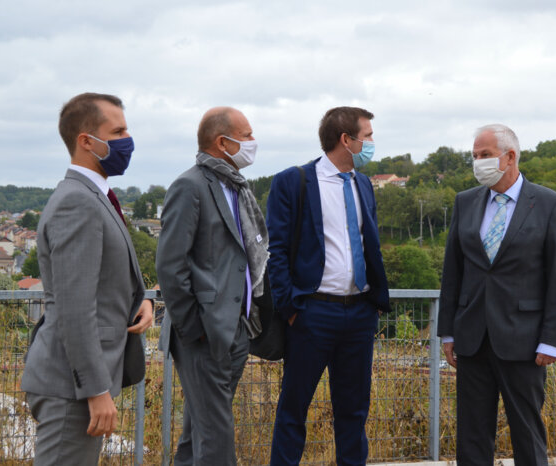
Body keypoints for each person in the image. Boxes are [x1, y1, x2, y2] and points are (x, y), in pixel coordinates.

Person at [21, 92, 154, 465]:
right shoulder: (76, 201)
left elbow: (101, 278)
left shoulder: (94, 195)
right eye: (119, 131)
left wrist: (138, 299)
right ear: (86, 141)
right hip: (72, 386)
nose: (128, 140)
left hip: (76, 384)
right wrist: (96, 389)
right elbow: (74, 307)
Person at [438, 124, 556, 465]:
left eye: (485, 155)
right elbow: (453, 271)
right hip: (472, 338)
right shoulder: (465, 202)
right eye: (475, 156)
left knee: (526, 432)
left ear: (510, 156)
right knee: (471, 434)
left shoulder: (549, 204)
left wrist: (552, 339)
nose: (478, 161)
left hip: (524, 342)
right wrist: (448, 331)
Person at [266, 106, 390, 466]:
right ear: (345, 140)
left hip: (360, 314)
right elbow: (276, 249)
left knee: (354, 412)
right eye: (367, 137)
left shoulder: (364, 184)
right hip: (311, 314)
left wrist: (372, 304)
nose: (371, 144)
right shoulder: (295, 181)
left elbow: (370, 244)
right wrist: (291, 310)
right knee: (294, 409)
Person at [157, 106, 267, 466]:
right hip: (204, 332)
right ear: (223, 142)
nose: (253, 142)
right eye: (248, 135)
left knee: (200, 429)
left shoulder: (235, 187)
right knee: (217, 432)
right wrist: (194, 330)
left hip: (237, 328)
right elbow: (170, 266)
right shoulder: (189, 186)